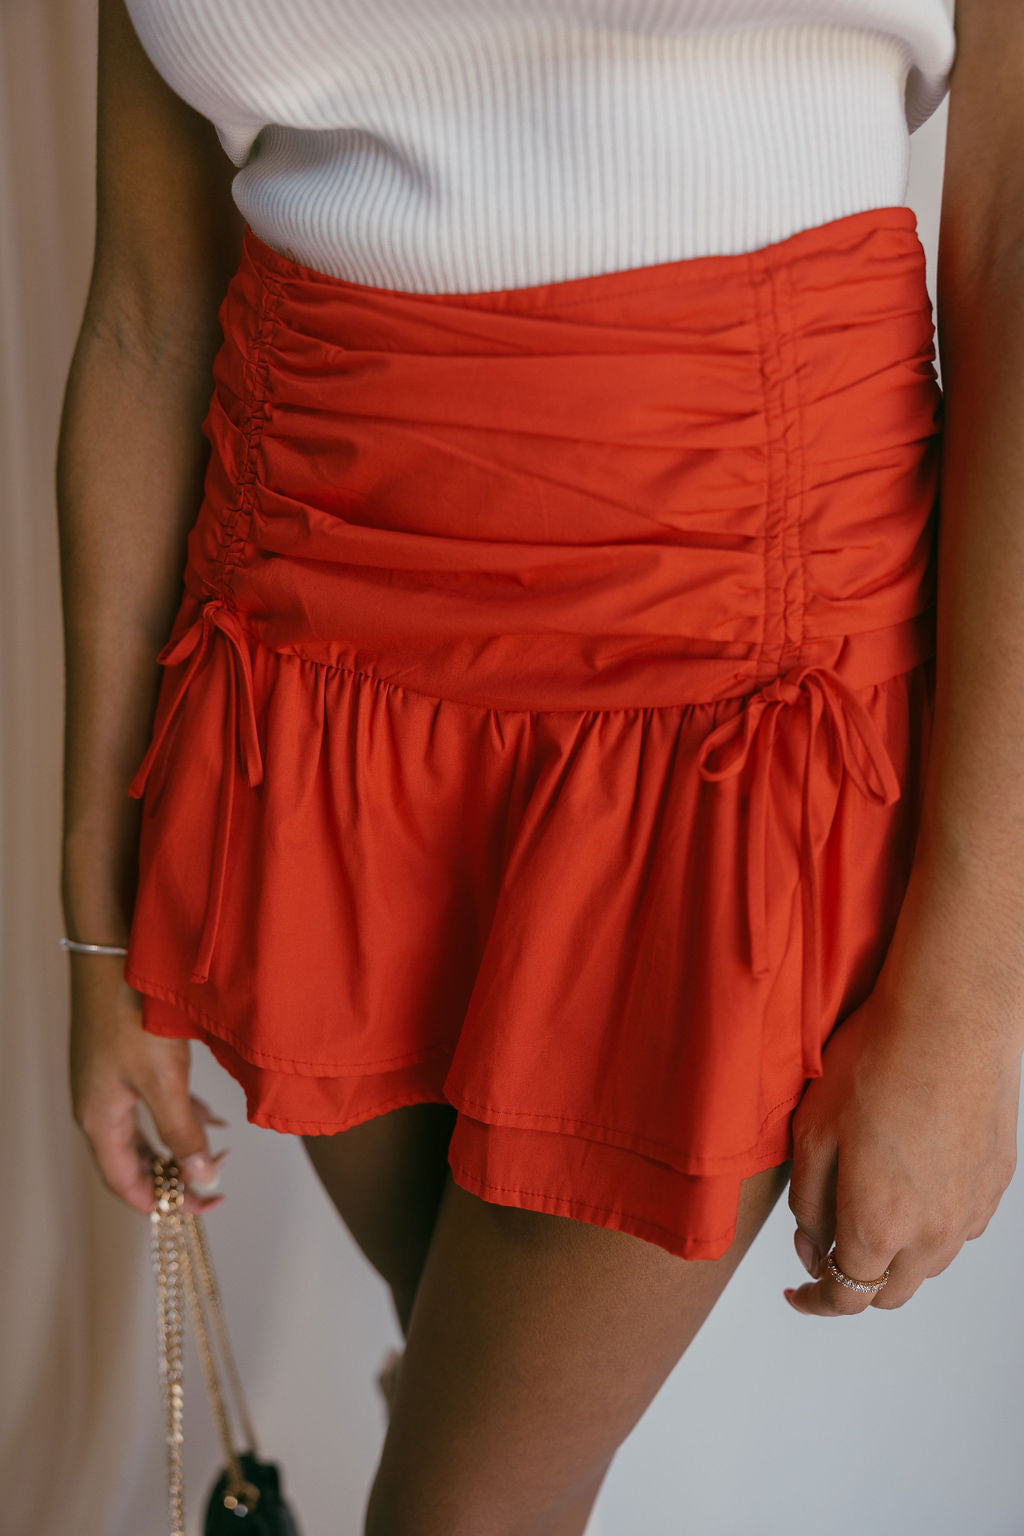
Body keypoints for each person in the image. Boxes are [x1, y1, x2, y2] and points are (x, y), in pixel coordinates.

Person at [57, 1, 1023, 1532]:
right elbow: (143, 319)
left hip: (733, 724)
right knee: (464, 1395)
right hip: (311, 706)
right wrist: (96, 929)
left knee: (464, 1506)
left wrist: (976, 1000)